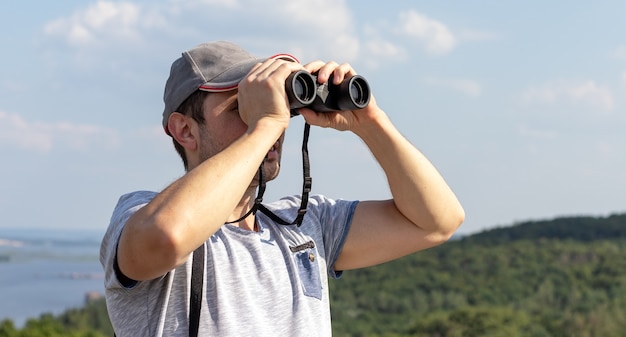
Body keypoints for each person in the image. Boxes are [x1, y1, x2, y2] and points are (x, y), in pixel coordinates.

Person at [100, 40, 465, 337]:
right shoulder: (139, 214)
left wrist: (370, 122)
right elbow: (167, 236)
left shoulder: (305, 224)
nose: (277, 125)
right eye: (239, 106)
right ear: (185, 130)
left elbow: (437, 222)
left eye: (277, 106)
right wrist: (265, 124)